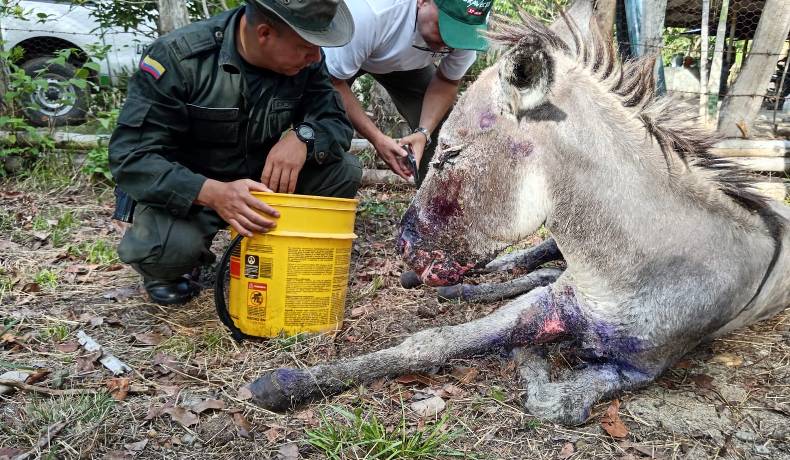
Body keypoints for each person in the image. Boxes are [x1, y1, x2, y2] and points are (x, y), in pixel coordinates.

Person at [109, 0, 360, 305]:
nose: (316, 56)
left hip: (260, 182)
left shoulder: (305, 60)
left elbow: (334, 120)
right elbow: (132, 156)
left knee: (342, 171)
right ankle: (174, 262)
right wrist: (213, 193)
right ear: (265, 33)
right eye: (307, 47)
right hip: (192, 188)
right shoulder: (181, 58)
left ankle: (273, 248)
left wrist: (303, 137)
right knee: (164, 253)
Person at [324, 0, 492, 184]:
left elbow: (447, 81)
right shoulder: (371, 11)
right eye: (444, 28)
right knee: (325, 118)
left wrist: (423, 133)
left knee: (442, 131)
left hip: (406, 65)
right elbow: (333, 81)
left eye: (459, 36)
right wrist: (376, 137)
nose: (448, 43)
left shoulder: (471, 27)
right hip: (342, 57)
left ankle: (433, 204)